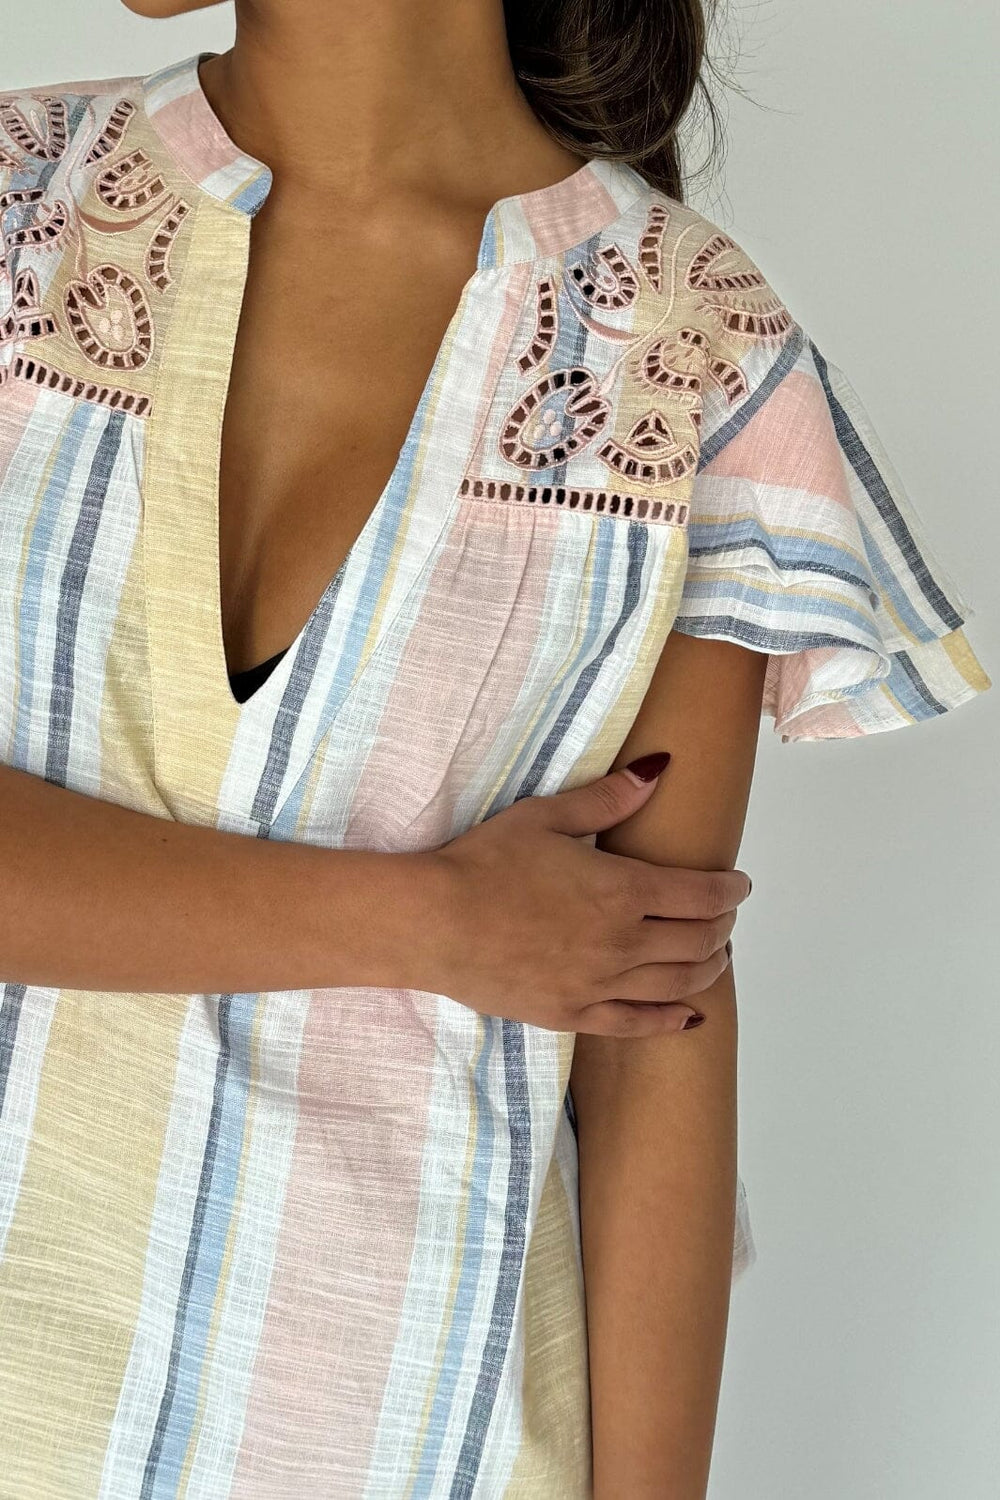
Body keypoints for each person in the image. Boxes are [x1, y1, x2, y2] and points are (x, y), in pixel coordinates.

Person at [0, 1, 990, 1495]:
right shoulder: (29, 203)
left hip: (411, 1431)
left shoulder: (692, 353)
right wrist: (430, 923)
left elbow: (653, 1012)